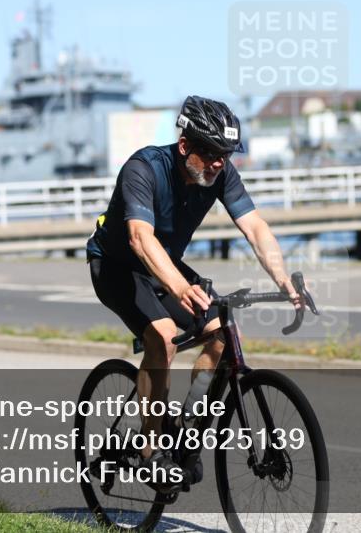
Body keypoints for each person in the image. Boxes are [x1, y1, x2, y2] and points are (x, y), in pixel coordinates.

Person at [86, 95, 302, 491]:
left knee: (221, 332)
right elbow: (138, 238)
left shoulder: (220, 173)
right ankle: (151, 451)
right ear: (186, 146)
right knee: (163, 337)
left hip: (164, 262)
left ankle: (186, 428)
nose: (220, 162)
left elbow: (255, 227)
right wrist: (180, 287)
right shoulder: (143, 168)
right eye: (212, 153)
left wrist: (283, 278)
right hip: (117, 265)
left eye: (226, 153)